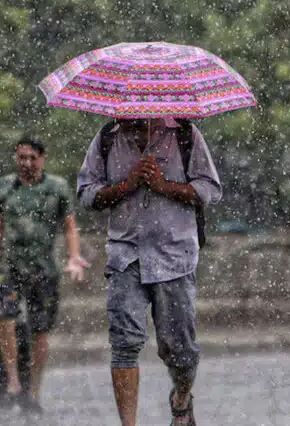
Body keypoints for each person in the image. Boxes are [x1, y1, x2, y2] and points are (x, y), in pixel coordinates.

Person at [77, 118, 222, 426]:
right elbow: (87, 193)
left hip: (174, 257)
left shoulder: (185, 134)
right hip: (125, 257)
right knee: (124, 344)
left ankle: (181, 399)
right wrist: (125, 186)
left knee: (180, 351)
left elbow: (210, 189)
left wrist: (164, 186)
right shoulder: (107, 137)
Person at [0, 136, 90, 415]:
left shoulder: (56, 188)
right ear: (16, 158)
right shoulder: (6, 186)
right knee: (6, 319)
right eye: (22, 157)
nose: (27, 163)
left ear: (42, 159)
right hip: (11, 268)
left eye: (33, 158)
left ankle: (33, 391)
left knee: (40, 330)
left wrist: (73, 257)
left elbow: (70, 226)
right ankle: (12, 384)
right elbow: (1, 226)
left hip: (43, 270)